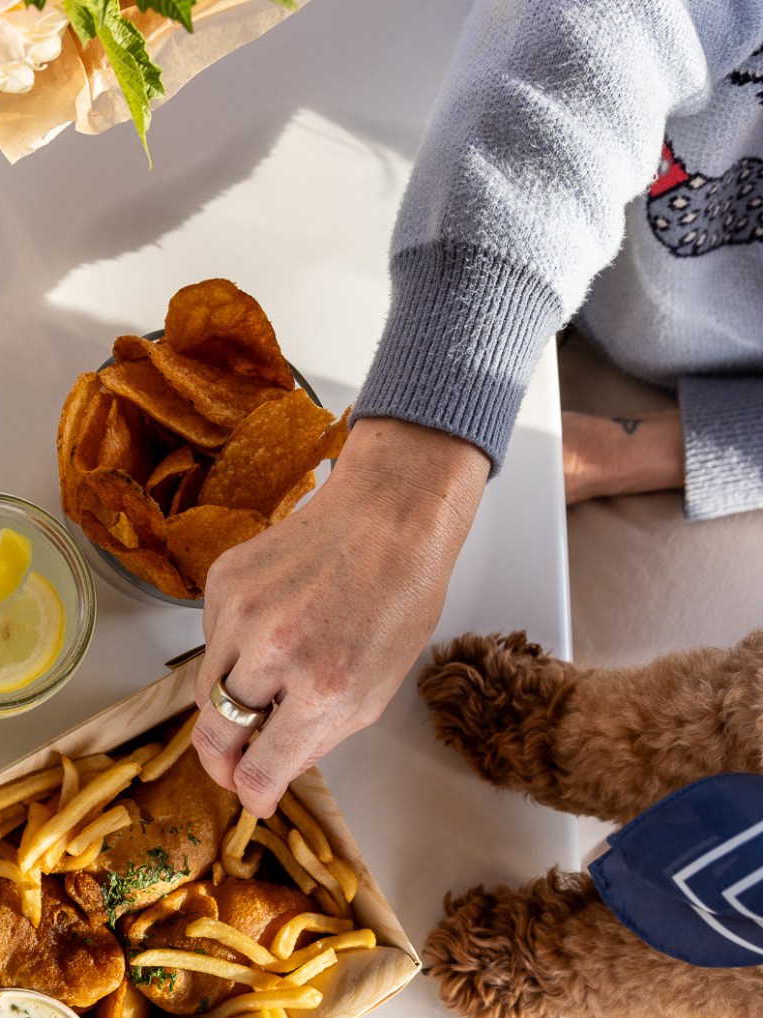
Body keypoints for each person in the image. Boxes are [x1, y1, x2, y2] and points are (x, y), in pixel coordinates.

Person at [193, 1, 763, 815]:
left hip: (726, 453)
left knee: (463, 800)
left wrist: (646, 451)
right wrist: (399, 498)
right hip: (527, 237)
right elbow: (599, 27)